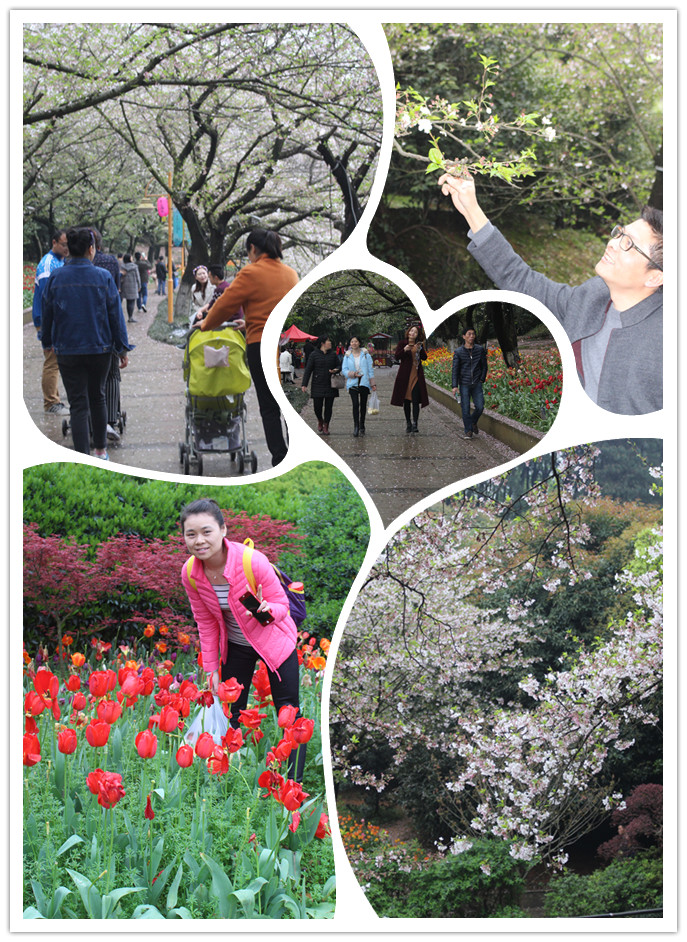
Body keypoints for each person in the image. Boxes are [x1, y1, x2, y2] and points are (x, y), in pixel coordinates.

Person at [437, 172, 663, 415]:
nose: (612, 243)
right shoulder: (591, 297)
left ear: (655, 277)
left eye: (629, 243)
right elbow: (520, 279)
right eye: (620, 233)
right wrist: (471, 208)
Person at [180, 498, 306, 781]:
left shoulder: (252, 561)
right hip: (236, 645)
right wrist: (211, 667)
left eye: (206, 531)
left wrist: (268, 609)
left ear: (223, 530)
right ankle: (225, 777)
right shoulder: (190, 573)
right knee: (231, 712)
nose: (199, 540)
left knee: (290, 714)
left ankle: (292, 785)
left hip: (274, 640)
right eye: (191, 534)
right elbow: (206, 622)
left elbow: (281, 604)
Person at [199, 230, 299, 465]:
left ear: (253, 248)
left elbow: (225, 304)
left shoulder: (251, 272)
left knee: (269, 405)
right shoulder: (291, 274)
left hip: (260, 345)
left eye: (248, 252)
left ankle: (280, 456)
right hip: (283, 345)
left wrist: (206, 324)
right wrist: (250, 321)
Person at [41, 226, 132, 458]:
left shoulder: (56, 278)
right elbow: (115, 316)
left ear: (69, 249)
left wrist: (48, 341)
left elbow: (48, 312)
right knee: (98, 397)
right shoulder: (102, 277)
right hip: (99, 349)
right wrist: (122, 348)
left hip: (67, 350)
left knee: (78, 404)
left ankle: (82, 456)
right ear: (91, 249)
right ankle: (100, 451)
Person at [32, 230, 69, 414]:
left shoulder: (60, 261)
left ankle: (55, 399)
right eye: (63, 244)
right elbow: (49, 300)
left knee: (55, 359)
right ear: (54, 242)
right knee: (52, 360)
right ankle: (51, 403)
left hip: (53, 318)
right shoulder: (48, 265)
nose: (66, 248)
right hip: (48, 319)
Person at [390, 324, 429, 433]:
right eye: (411, 331)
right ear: (408, 332)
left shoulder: (419, 344)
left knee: (415, 400)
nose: (412, 333)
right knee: (406, 400)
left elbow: (424, 357)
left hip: (416, 375)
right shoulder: (402, 343)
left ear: (417, 335)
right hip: (405, 376)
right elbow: (397, 356)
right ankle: (408, 423)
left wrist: (420, 349)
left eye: (415, 332)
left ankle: (415, 423)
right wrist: (404, 350)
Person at [451, 327, 488, 439]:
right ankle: (468, 430)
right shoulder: (458, 352)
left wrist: (482, 379)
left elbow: (484, 366)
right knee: (465, 408)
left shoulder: (479, 349)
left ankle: (472, 422)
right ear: (464, 336)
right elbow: (455, 370)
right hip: (464, 384)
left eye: (473, 334)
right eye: (469, 334)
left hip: (477, 383)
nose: (472, 336)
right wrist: (454, 386)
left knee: (480, 407)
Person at [301, 335, 341, 435]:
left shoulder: (333, 354)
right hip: (317, 384)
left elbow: (339, 365)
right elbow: (308, 370)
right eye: (328, 341)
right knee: (317, 407)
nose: (330, 343)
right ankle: (320, 420)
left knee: (328, 407)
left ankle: (326, 425)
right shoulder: (314, 355)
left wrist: (336, 370)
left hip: (330, 384)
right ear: (322, 343)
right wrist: (304, 384)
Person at [341, 335, 376, 436]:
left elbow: (370, 370)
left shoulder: (366, 355)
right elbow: (344, 369)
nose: (354, 343)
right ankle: (356, 426)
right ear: (350, 344)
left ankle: (362, 424)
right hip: (352, 382)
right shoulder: (347, 356)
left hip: (364, 382)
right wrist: (352, 374)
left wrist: (373, 384)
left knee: (363, 405)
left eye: (356, 341)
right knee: (355, 404)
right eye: (352, 342)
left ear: (359, 343)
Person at [120, 254, 141, 323]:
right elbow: (138, 277)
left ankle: (119, 317)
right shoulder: (134, 267)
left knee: (120, 302)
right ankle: (130, 317)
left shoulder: (122, 266)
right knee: (131, 302)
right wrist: (139, 286)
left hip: (123, 286)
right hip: (132, 286)